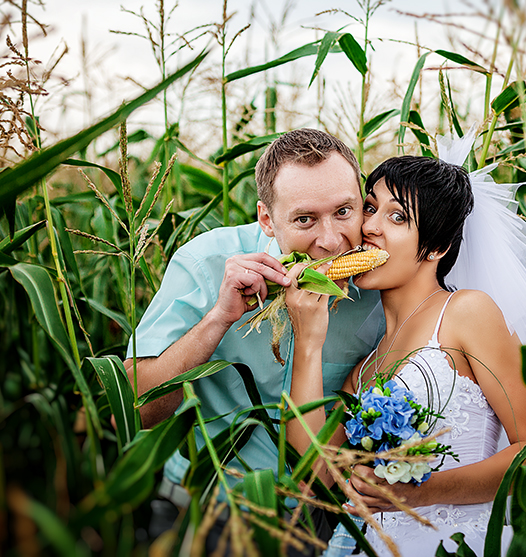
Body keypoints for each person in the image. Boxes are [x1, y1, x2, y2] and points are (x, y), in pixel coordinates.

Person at [284, 149, 526, 556]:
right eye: (369, 207)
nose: (370, 228)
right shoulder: (364, 370)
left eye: (397, 217)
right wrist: (308, 342)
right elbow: (312, 473)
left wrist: (423, 491)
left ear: (436, 247)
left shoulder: (467, 313)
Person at [124, 128, 384, 554]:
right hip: (215, 505)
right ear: (266, 219)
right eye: (304, 219)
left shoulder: (381, 282)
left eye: (344, 211)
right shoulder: (206, 262)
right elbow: (135, 410)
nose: (331, 240)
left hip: (328, 516)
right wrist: (218, 319)